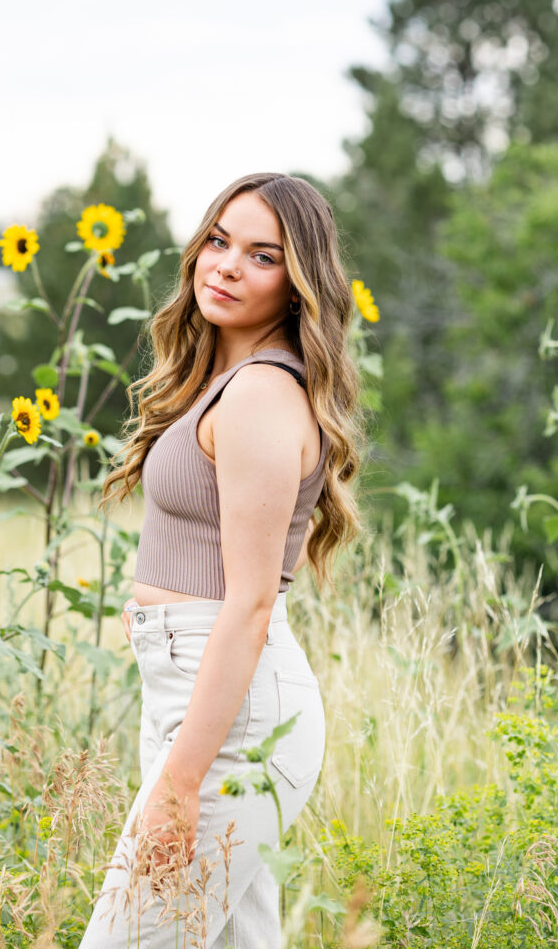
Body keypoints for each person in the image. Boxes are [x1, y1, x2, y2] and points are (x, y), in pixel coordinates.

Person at [80, 172, 363, 948]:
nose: (226, 265)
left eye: (261, 255)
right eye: (218, 240)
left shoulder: (260, 396)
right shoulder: (228, 384)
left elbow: (248, 603)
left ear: (298, 283)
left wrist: (179, 784)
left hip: (232, 713)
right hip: (199, 693)